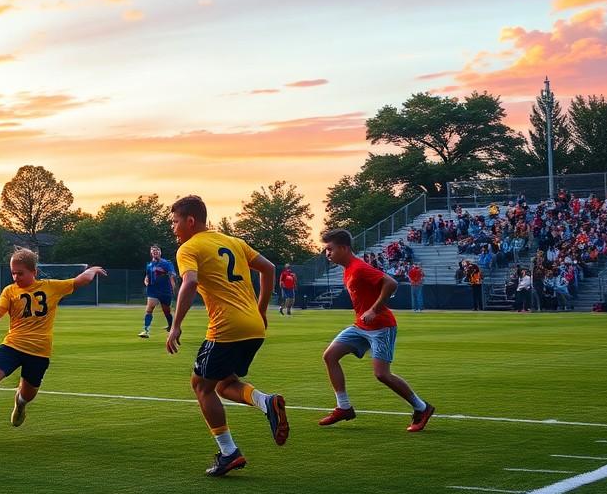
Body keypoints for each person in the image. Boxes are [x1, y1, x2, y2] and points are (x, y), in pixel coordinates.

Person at [163, 195, 289, 478]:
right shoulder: (234, 242)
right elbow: (269, 268)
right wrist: (262, 309)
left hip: (226, 328)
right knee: (223, 384)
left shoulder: (189, 248)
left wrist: (176, 324)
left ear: (190, 221)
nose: (173, 228)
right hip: (254, 326)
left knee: (201, 386)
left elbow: (190, 282)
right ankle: (264, 402)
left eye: (175, 222)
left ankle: (229, 452)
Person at [0, 250, 106, 445]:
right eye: (13, 273)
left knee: (27, 394)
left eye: (20, 273)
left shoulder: (51, 287)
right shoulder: (10, 291)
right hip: (13, 345)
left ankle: (20, 404)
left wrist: (91, 270)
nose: (16, 277)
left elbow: (79, 281)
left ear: (34, 271)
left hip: (39, 352)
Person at [317, 228, 434, 433]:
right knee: (330, 356)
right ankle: (344, 407)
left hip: (381, 327)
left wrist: (374, 309)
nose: (327, 253)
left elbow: (391, 283)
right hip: (361, 326)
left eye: (330, 249)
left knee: (382, 374)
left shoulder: (359, 267)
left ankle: (422, 408)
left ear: (344, 248)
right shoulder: (348, 269)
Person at [137, 245, 177, 338]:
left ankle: (171, 326)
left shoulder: (166, 263)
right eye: (153, 251)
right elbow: (147, 276)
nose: (155, 252)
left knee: (166, 311)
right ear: (151, 253)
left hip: (165, 291)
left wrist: (173, 289)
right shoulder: (149, 265)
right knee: (149, 309)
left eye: (157, 250)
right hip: (153, 290)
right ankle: (146, 331)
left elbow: (172, 276)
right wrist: (146, 280)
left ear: (160, 252)